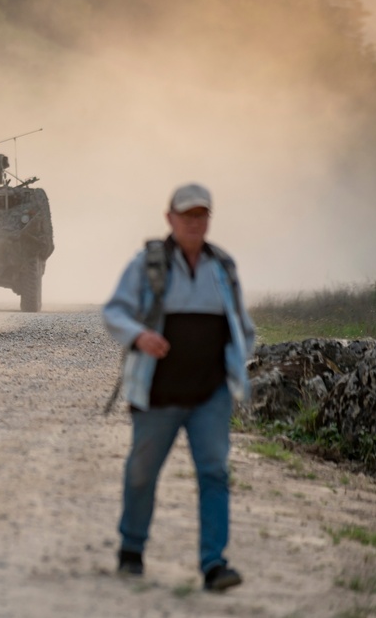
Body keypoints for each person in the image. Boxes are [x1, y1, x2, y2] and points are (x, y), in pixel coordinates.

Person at [102, 182, 255, 592]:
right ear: (170, 218)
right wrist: (139, 336)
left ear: (209, 220)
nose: (195, 222)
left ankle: (214, 565)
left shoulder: (222, 266)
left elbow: (243, 328)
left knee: (215, 474)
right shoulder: (148, 264)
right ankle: (131, 550)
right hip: (157, 394)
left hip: (211, 395)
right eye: (187, 215)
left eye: (202, 215)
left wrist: (235, 368)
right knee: (141, 473)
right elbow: (115, 312)